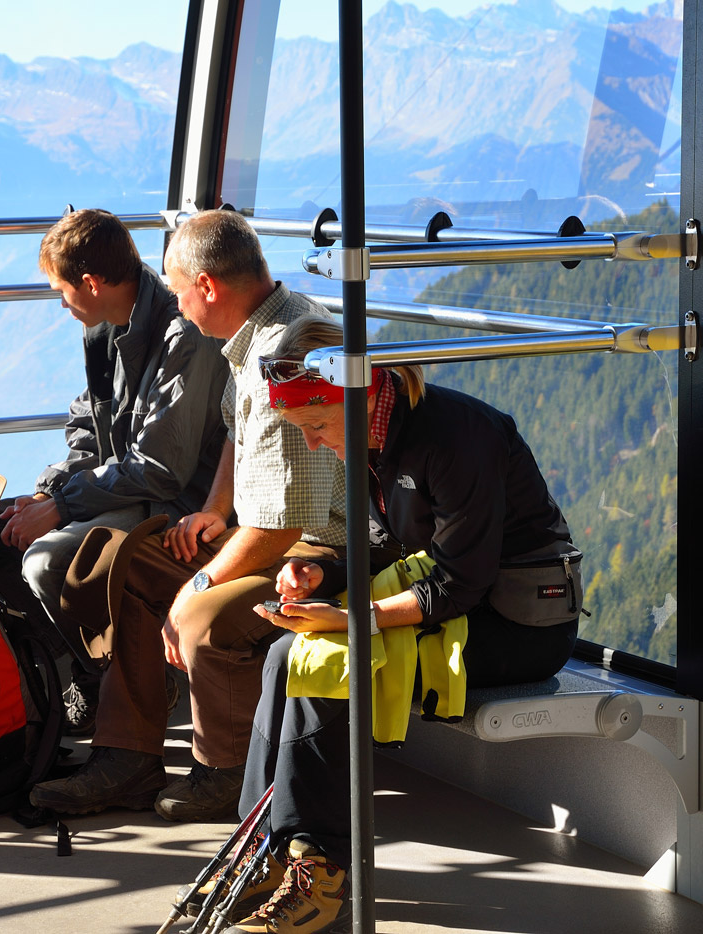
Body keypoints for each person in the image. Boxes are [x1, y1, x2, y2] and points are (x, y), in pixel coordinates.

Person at [197, 314, 581, 934]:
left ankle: (318, 873)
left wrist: (355, 619)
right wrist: (318, 577)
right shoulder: (373, 434)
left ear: (357, 390)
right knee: (283, 655)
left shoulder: (457, 437)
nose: (317, 443)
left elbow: (462, 580)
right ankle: (263, 846)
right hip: (459, 609)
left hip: (518, 624)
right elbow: (388, 542)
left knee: (336, 658)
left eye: (318, 425)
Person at [27, 210, 348, 821]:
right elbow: (235, 428)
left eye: (178, 291)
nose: (177, 306)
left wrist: (202, 580)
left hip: (314, 547)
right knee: (131, 568)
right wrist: (214, 508)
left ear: (207, 286)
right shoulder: (254, 334)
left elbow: (284, 525)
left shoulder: (287, 354)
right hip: (257, 524)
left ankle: (223, 771)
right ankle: (129, 758)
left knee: (197, 613)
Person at [0, 208, 229, 734]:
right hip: (128, 485)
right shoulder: (105, 328)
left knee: (44, 561)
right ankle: (103, 673)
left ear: (90, 283)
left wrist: (61, 508)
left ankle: (123, 678)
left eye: (61, 290)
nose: (61, 304)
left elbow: (163, 471)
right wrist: (49, 491)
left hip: (177, 505)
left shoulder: (184, 338)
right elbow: (90, 427)